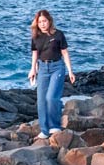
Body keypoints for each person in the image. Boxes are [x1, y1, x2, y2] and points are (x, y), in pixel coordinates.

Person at [27, 9, 75, 138]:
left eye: (44, 21)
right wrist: (33, 69)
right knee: (41, 100)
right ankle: (44, 130)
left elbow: (65, 52)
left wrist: (70, 71)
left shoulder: (58, 34)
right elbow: (35, 54)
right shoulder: (35, 37)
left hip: (57, 67)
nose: (42, 24)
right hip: (42, 68)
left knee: (51, 97)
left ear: (49, 21)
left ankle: (54, 126)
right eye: (40, 22)